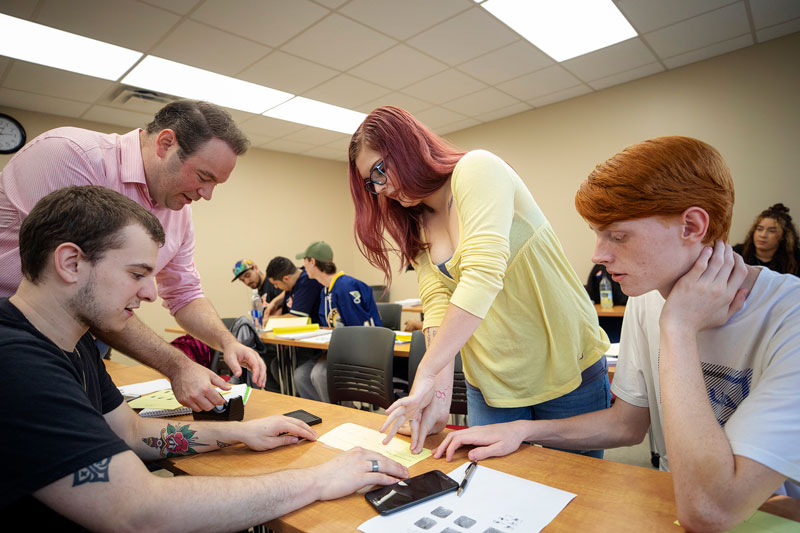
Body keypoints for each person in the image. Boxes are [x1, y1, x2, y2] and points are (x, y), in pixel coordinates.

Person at [434, 136, 800, 532]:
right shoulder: (646, 298)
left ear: (692, 226)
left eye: (618, 236)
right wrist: (522, 430)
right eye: (597, 234)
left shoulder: (789, 317)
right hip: (675, 502)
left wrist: (678, 328)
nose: (598, 255)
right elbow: (626, 424)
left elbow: (710, 511)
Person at [0, 186, 408, 529]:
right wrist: (320, 479)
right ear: (71, 263)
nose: (150, 294)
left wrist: (237, 434)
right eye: (137, 274)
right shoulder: (16, 361)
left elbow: (128, 434)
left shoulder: (72, 342)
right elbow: (138, 511)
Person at [348, 106, 610, 456]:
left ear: (408, 146)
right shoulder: (416, 223)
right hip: (492, 381)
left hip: (562, 366)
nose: (381, 189)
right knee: (498, 495)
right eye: (371, 182)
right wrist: (437, 400)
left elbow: (482, 276)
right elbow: (437, 313)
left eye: (380, 170)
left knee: (579, 495)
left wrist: (425, 372)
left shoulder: (477, 169)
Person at [0, 100, 267, 410]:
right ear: (166, 143)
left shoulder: (178, 211)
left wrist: (227, 342)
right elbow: (81, 290)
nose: (207, 195)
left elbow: (185, 293)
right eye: (204, 177)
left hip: (81, 339)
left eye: (216, 184)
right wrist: (177, 365)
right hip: (13, 331)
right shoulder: (70, 155)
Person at [293, 240, 384, 402]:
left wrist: (330, 354)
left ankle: (344, 416)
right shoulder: (325, 291)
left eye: (305, 262)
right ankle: (324, 413)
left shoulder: (346, 287)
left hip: (359, 354)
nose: (303, 267)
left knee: (320, 374)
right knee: (301, 375)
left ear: (312, 262)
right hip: (336, 351)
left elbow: (359, 332)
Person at [264, 256, 325, 400]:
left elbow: (297, 319)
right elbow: (286, 292)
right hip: (303, 343)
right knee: (274, 365)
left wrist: (268, 320)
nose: (276, 288)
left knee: (294, 372)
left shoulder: (307, 282)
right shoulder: (296, 277)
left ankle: (308, 403)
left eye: (276, 284)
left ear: (286, 278)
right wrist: (275, 301)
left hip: (314, 344)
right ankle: (293, 399)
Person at [733, 203, 800, 276]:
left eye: (772, 231)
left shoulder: (795, 259)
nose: (763, 235)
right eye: (759, 229)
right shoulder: (737, 253)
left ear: (784, 236)